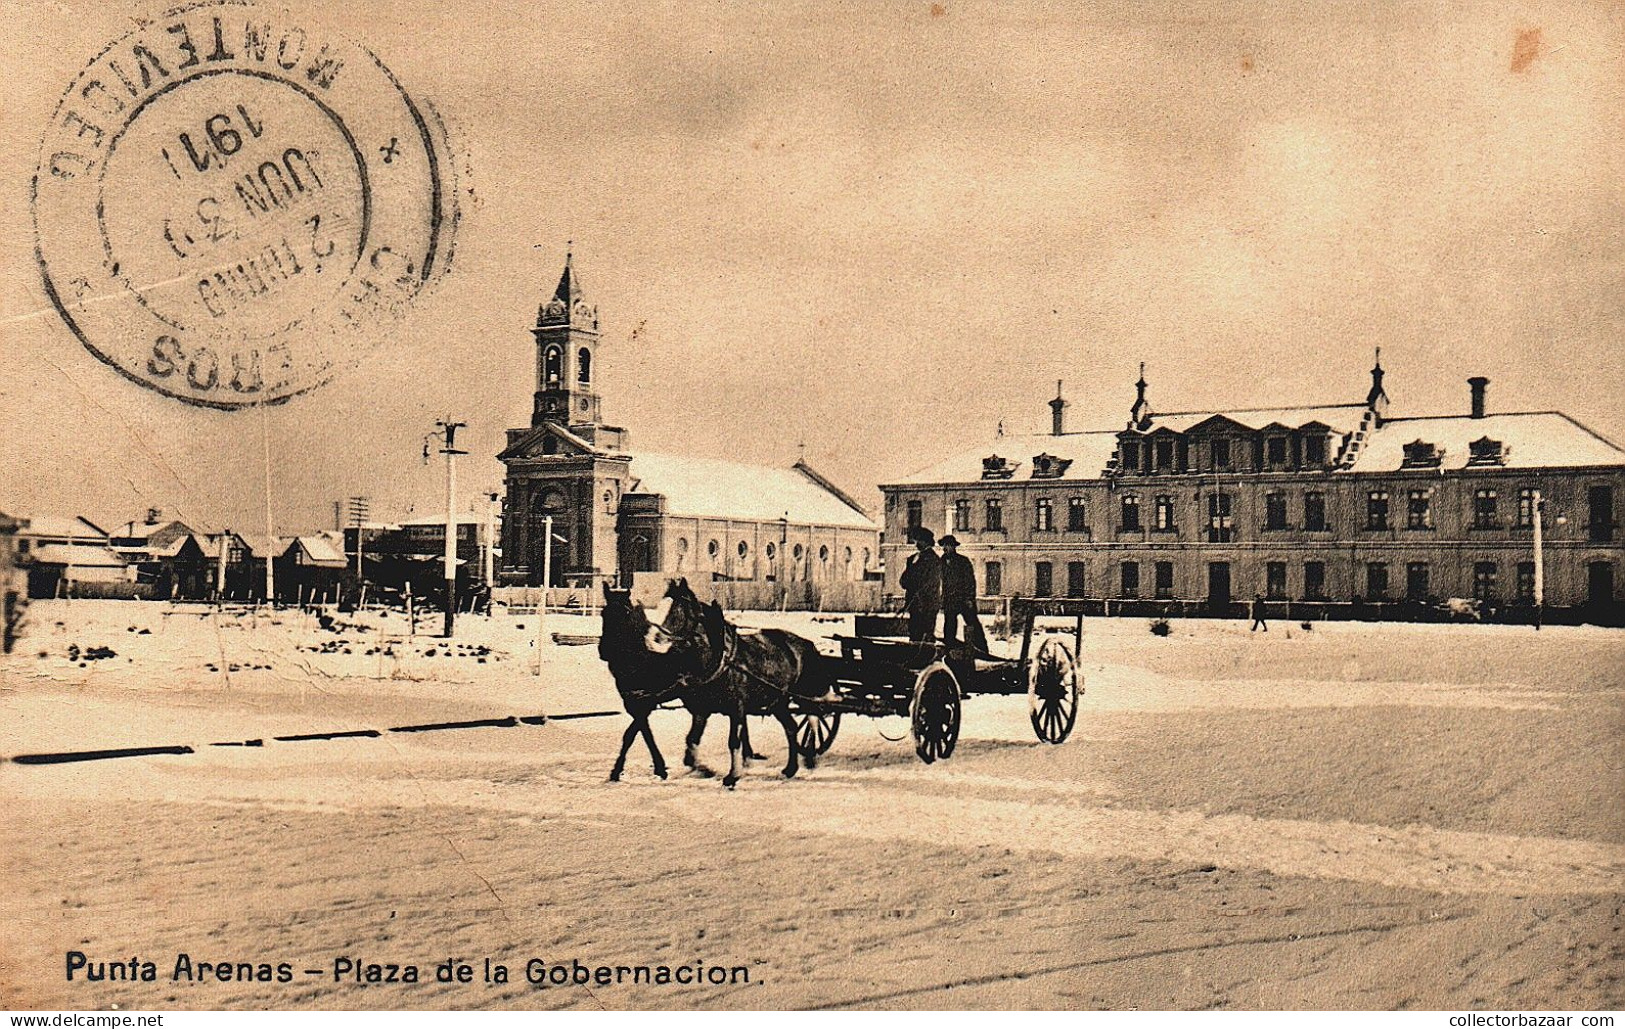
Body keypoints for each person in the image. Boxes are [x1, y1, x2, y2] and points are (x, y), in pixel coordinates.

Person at [938, 535, 987, 653]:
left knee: (972, 623)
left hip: (964, 600)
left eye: (948, 545)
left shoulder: (963, 561)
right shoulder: (941, 562)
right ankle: (949, 649)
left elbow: (970, 581)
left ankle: (982, 649)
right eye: (944, 545)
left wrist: (969, 598)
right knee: (949, 625)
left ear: (954, 547)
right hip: (950, 600)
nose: (945, 547)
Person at [899, 527, 941, 642]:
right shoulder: (912, 558)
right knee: (914, 632)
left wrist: (917, 590)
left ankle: (925, 656)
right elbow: (903, 580)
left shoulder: (933, 560)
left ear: (926, 541)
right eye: (915, 540)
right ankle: (914, 656)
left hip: (927, 604)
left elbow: (931, 582)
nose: (916, 543)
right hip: (914, 603)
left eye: (918, 540)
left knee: (926, 633)